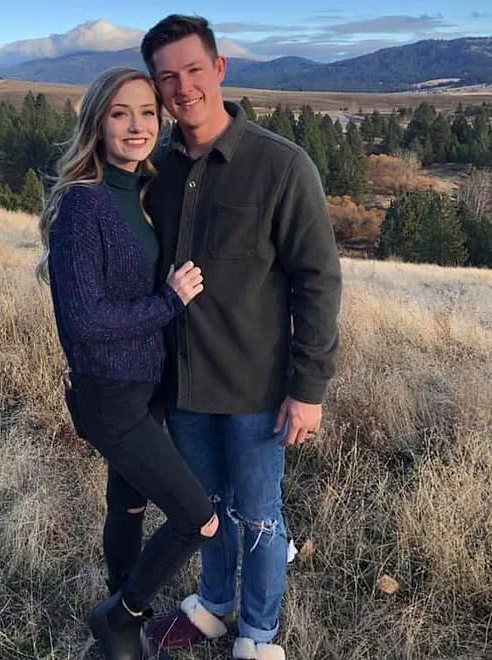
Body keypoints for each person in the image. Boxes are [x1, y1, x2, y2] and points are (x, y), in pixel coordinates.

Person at [140, 16, 343, 660]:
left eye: (193, 70)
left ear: (220, 69)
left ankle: (257, 635)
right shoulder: (156, 167)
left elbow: (318, 280)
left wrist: (307, 389)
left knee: (257, 516)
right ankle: (213, 604)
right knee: (205, 511)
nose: (183, 87)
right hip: (184, 385)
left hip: (257, 389)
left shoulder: (281, 165)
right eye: (167, 77)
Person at [37, 67, 219, 660]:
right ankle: (121, 616)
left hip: (142, 386)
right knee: (197, 518)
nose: (137, 125)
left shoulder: (137, 191)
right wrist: (170, 301)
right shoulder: (83, 205)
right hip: (110, 394)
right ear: (97, 123)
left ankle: (124, 629)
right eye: (120, 113)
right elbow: (85, 321)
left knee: (129, 505)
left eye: (147, 112)